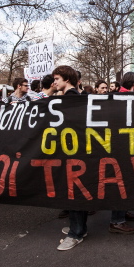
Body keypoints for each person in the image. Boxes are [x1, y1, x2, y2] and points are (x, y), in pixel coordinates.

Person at [53, 66, 89, 251]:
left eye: (57, 78)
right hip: (73, 151)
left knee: (73, 193)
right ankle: (79, 228)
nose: (54, 82)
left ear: (67, 79)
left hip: (73, 153)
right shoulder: (71, 97)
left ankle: (76, 233)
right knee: (75, 192)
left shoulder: (71, 98)